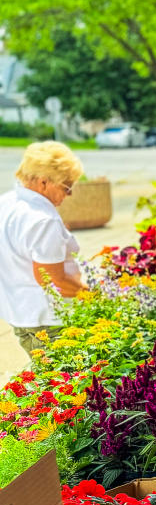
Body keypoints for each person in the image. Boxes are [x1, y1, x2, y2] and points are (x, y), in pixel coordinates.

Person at [0, 141, 86, 356]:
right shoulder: (43, 220)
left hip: (20, 315)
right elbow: (53, 281)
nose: (69, 195)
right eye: (67, 187)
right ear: (44, 182)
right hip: (50, 320)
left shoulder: (7, 203)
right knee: (68, 384)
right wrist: (94, 297)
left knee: (48, 383)